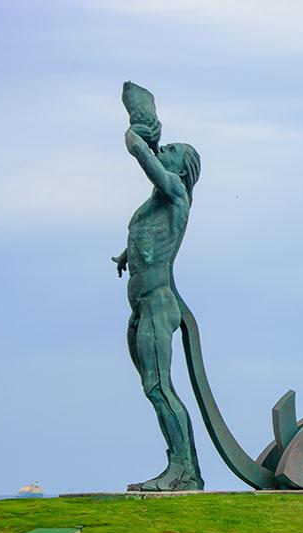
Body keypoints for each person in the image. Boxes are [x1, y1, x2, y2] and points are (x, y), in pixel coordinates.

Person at [112, 82, 204, 491]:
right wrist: (127, 254)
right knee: (152, 389)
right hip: (141, 305)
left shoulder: (176, 192)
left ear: (181, 170)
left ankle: (180, 471)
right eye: (162, 150)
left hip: (158, 304)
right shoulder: (154, 205)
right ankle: (186, 470)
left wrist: (137, 141)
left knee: (158, 386)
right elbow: (148, 237)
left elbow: (147, 160)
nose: (162, 152)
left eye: (170, 153)